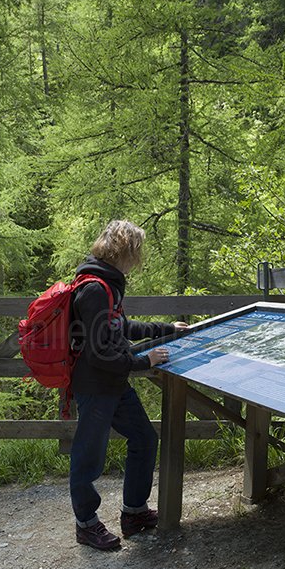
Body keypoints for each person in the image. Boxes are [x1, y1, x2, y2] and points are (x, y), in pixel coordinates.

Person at [68, 220, 188, 550]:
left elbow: (120, 327)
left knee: (144, 438)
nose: (139, 257)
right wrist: (143, 362)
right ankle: (86, 524)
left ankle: (134, 513)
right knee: (88, 455)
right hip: (95, 385)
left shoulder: (107, 283)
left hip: (113, 382)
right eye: (137, 250)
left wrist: (163, 329)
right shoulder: (94, 289)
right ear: (126, 250)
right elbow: (99, 353)